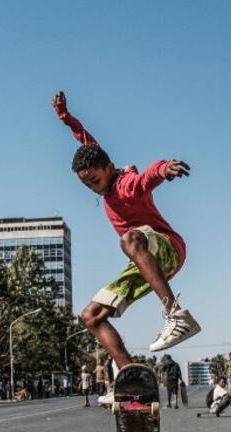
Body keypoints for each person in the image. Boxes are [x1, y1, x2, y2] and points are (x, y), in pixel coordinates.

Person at [52, 91, 201, 405]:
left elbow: (148, 175)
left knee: (129, 239)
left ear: (108, 167)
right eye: (86, 185)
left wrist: (164, 169)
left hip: (168, 247)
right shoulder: (98, 161)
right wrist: (65, 117)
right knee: (91, 316)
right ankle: (131, 381)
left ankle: (176, 315)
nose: (93, 187)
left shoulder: (125, 184)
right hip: (143, 261)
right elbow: (83, 137)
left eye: (94, 181)